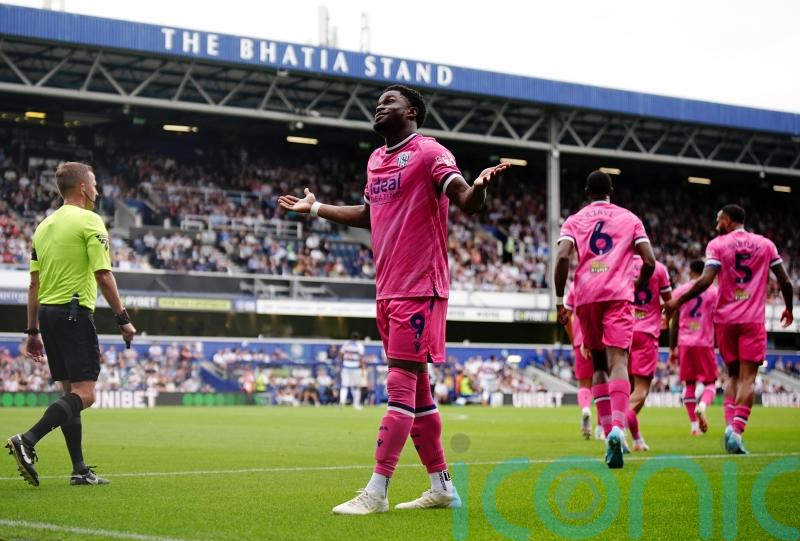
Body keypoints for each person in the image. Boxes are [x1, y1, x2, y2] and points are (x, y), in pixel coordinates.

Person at [279, 84, 508, 514]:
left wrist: (478, 187)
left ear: (413, 111)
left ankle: (377, 491)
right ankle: (442, 488)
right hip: (388, 288)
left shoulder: (429, 152)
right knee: (419, 393)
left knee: (400, 386)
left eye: (390, 102)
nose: (380, 106)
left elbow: (464, 200)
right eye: (378, 102)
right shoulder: (375, 160)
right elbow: (368, 215)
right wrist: (315, 209)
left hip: (419, 287)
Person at [5, 162, 136, 487]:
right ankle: (28, 439)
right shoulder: (90, 220)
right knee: (86, 394)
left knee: (69, 392)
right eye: (94, 183)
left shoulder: (43, 226)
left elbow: (33, 285)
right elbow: (103, 275)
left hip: (48, 315)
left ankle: (79, 469)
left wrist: (32, 331)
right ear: (82, 188)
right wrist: (123, 319)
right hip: (74, 312)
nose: (97, 190)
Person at [664, 204, 793, 454]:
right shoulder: (766, 245)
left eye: (718, 220)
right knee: (748, 378)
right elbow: (785, 280)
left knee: (733, 376)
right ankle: (736, 431)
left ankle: (728, 426)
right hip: (752, 320)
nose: (716, 226)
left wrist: (677, 301)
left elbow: (705, 280)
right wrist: (787, 307)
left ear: (729, 220)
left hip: (725, 321)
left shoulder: (718, 245)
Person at [553, 170, 655, 469]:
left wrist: (560, 301)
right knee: (619, 363)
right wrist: (634, 287)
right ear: (612, 190)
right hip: (618, 295)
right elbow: (648, 261)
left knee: (598, 366)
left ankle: (607, 427)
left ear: (587, 191)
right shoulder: (630, 218)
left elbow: (561, 258)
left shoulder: (574, 220)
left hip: (586, 297)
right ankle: (618, 430)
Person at [626, 254, 672, 451]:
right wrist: (666, 319)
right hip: (646, 332)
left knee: (624, 390)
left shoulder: (621, 263)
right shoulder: (659, 268)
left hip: (622, 330)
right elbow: (670, 302)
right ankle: (616, 428)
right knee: (641, 391)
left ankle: (636, 439)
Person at [669, 259, 719, 436]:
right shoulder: (713, 292)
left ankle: (694, 427)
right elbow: (718, 320)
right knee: (711, 383)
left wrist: (672, 347)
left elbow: (674, 321)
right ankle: (702, 406)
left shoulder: (681, 291)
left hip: (684, 343)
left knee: (689, 385)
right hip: (704, 342)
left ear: (690, 271)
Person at [563, 286, 594, 439]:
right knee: (604, 383)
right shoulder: (602, 281)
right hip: (600, 339)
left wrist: (573, 336)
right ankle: (603, 427)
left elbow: (564, 316)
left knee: (584, 385)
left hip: (579, 340)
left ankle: (586, 408)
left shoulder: (574, 289)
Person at [339, 332, 366, 410]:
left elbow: (341, 353)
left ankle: (342, 402)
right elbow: (361, 357)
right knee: (356, 387)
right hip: (355, 367)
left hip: (346, 366)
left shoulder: (346, 343)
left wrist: (343, 360)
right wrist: (363, 367)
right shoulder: (359, 345)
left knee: (344, 385)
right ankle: (356, 404)